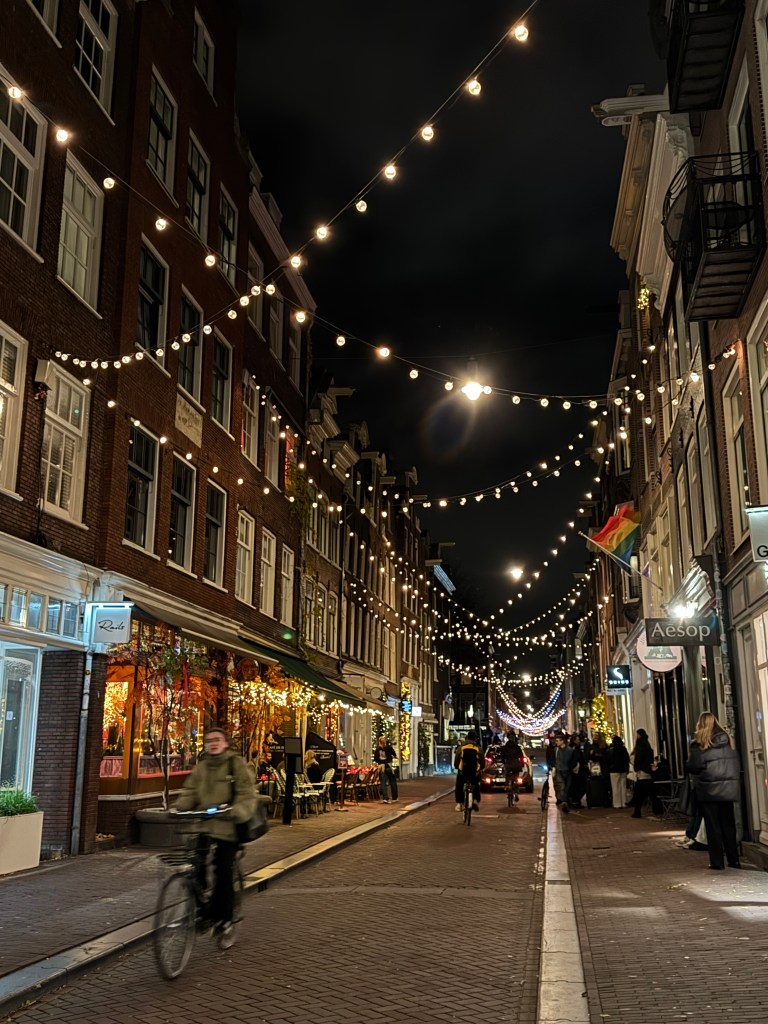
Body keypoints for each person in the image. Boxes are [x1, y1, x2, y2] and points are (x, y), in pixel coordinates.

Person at [175, 726, 256, 950]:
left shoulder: (236, 765)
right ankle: (203, 912)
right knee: (197, 866)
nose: (213, 743)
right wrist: (179, 808)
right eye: (209, 740)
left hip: (228, 827)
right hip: (205, 825)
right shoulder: (202, 768)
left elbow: (247, 794)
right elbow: (190, 791)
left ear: (226, 743)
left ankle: (225, 919)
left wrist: (237, 811)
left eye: (217, 740)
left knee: (222, 869)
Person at [686, 712, 741, 870]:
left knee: (713, 825)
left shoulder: (699, 744)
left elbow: (694, 767)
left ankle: (717, 861)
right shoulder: (728, 740)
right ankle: (734, 859)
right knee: (728, 824)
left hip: (708, 790)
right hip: (727, 790)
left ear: (701, 725)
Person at [629, 728, 659, 819]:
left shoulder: (641, 746)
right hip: (647, 771)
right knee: (650, 793)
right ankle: (656, 809)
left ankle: (637, 811)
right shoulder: (647, 744)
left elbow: (639, 758)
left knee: (639, 793)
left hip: (642, 772)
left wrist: (636, 766)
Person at [454, 730, 483, 812]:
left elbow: (457, 760)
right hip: (474, 772)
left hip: (463, 771)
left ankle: (459, 803)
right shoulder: (478, 748)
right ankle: (476, 800)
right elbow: (482, 761)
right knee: (476, 784)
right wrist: (481, 769)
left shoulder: (461, 747)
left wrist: (457, 767)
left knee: (459, 785)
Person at [553, 732, 576, 813]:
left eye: (557, 741)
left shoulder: (570, 750)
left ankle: (565, 802)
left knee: (567, 788)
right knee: (562, 787)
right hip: (559, 770)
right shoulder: (556, 750)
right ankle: (564, 803)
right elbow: (553, 759)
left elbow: (574, 761)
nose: (556, 742)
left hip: (568, 771)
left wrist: (570, 767)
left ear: (562, 741)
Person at [607, 735, 630, 809]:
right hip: (623, 769)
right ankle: (624, 802)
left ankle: (617, 803)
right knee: (623, 786)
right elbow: (627, 759)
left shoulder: (611, 750)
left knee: (615, 787)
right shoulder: (624, 749)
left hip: (614, 770)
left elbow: (609, 760)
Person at [374, 735, 399, 803]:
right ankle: (394, 797)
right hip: (388, 766)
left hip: (381, 767)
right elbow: (394, 754)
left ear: (379, 742)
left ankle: (385, 798)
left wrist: (379, 761)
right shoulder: (389, 747)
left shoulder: (377, 749)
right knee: (392, 781)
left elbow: (375, 759)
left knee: (383, 782)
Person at [568, 734, 588, 808]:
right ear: (574, 741)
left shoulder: (573, 748)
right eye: (578, 739)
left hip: (576, 771)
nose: (579, 741)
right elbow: (578, 759)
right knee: (580, 787)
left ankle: (575, 801)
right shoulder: (576, 749)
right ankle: (575, 801)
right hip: (578, 771)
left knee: (576, 787)